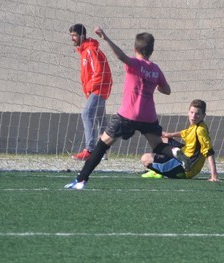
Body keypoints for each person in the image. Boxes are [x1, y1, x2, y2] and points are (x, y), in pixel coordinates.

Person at [65, 28, 170, 190]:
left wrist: (106, 38)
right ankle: (178, 152)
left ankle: (81, 180)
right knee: (159, 146)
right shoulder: (156, 69)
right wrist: (155, 85)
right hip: (148, 117)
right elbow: (167, 90)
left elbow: (121, 56)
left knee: (102, 144)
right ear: (152, 50)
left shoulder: (135, 64)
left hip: (128, 115)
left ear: (135, 49)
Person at [140, 99, 220, 182]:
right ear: (188, 112)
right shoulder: (198, 124)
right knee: (164, 139)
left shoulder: (200, 130)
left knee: (145, 159)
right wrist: (169, 134)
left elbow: (209, 152)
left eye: (197, 114)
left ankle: (158, 171)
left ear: (203, 115)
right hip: (185, 153)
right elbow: (186, 133)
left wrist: (214, 175)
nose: (193, 116)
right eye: (192, 112)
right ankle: (169, 158)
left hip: (186, 168)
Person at [69, 23, 113, 160]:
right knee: (100, 119)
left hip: (98, 89)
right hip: (98, 89)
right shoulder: (85, 51)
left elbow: (98, 72)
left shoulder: (90, 50)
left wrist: (89, 88)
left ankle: (90, 150)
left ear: (82, 36)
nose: (72, 38)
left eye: (74, 35)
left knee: (87, 114)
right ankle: (103, 151)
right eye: (71, 35)